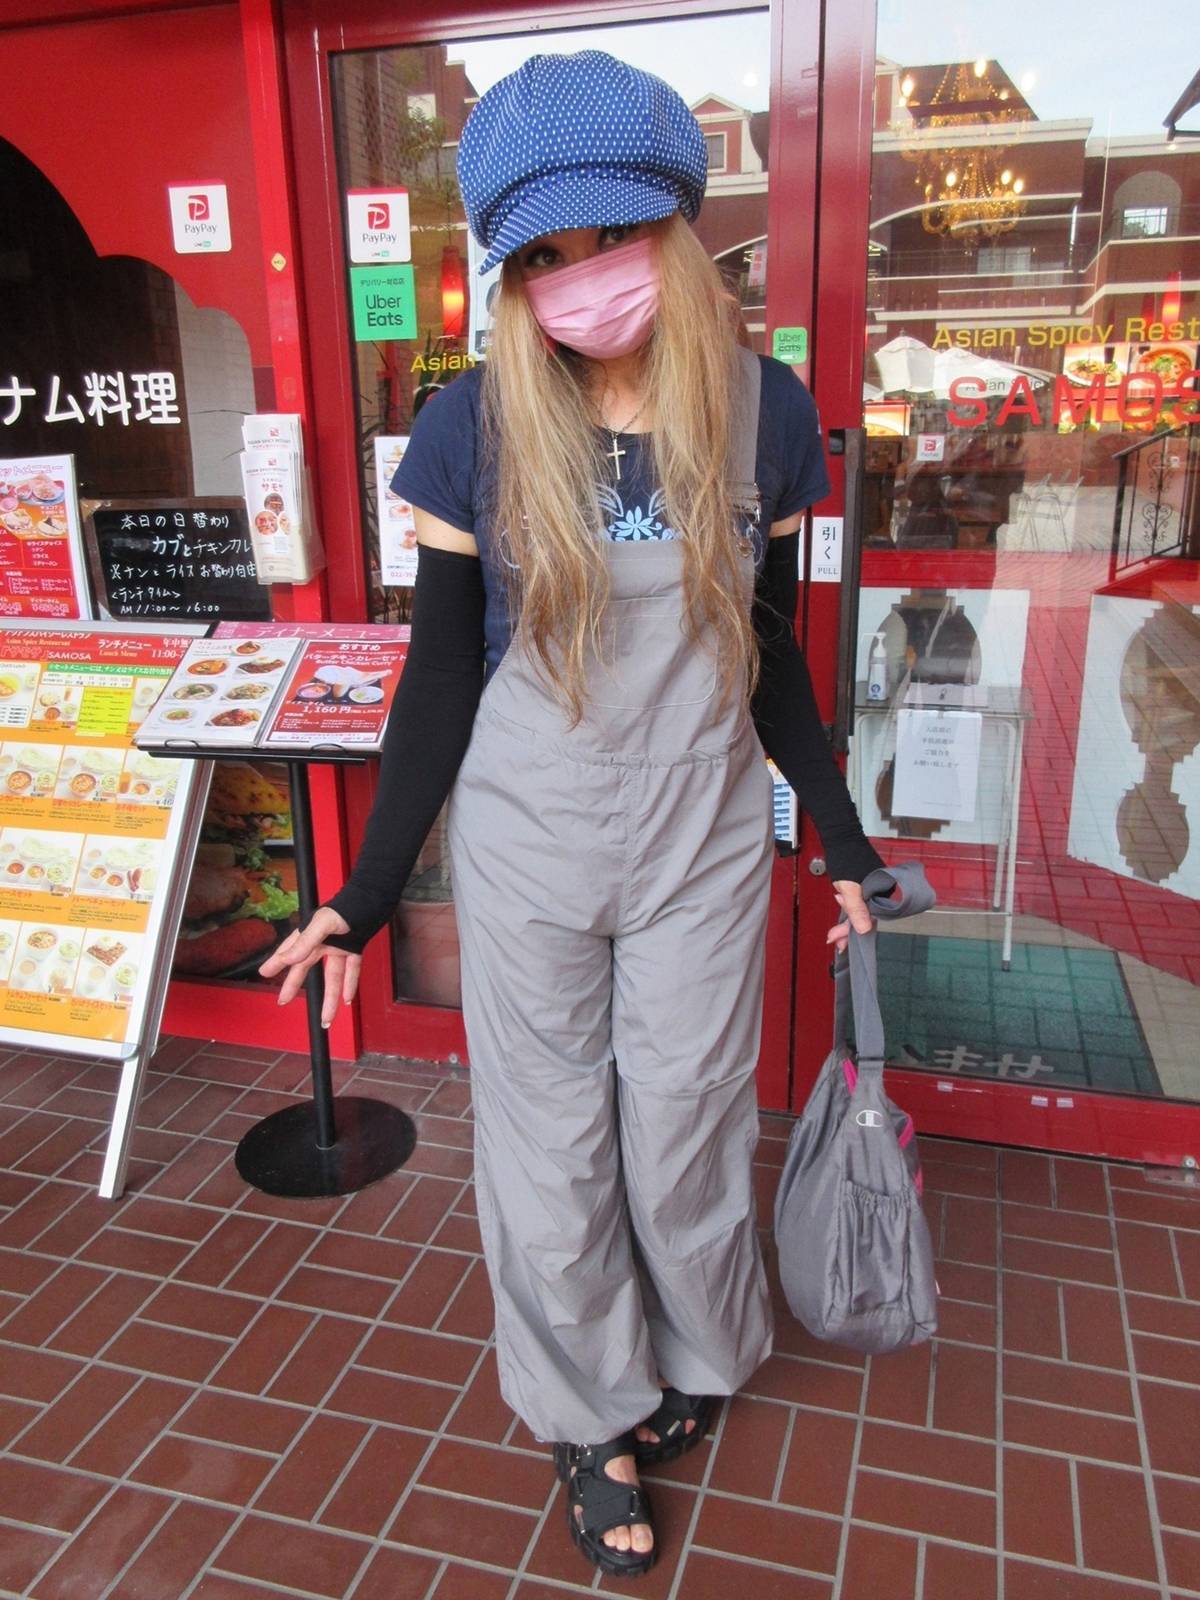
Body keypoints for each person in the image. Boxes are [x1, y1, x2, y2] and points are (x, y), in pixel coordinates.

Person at [261, 49, 885, 1580]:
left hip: (701, 844)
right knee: (550, 1149)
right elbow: (437, 682)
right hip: (530, 841)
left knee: (685, 1127)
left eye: (610, 237)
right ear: (509, 274)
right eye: (543, 255)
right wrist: (360, 893)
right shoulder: (471, 427)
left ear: (671, 229)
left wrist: (844, 839)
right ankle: (585, 1416)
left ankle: (691, 1356)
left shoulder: (764, 414)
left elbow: (775, 657)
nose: (583, 277)